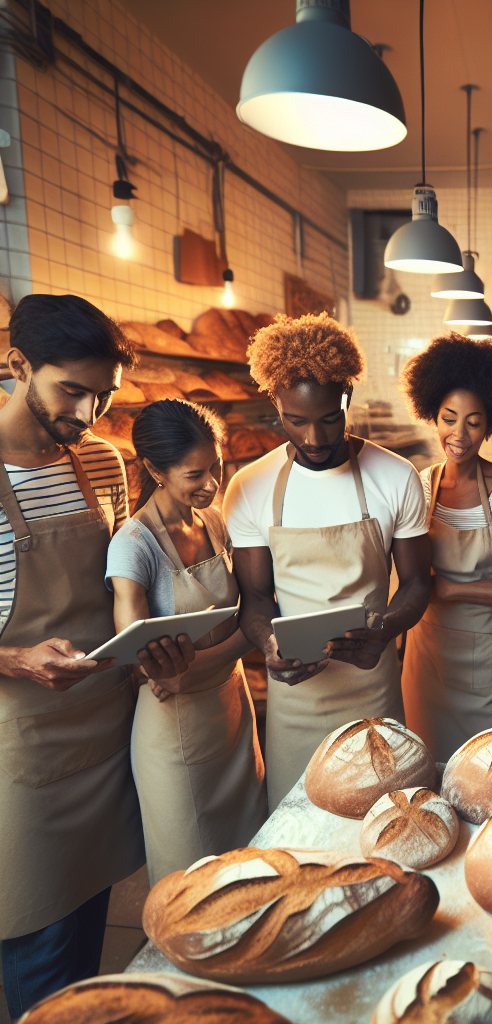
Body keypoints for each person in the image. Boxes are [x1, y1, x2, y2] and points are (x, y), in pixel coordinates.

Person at [0, 295, 147, 1018]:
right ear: (16, 364)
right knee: (41, 938)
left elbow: (121, 584)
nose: (90, 414)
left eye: (106, 395)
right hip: (25, 746)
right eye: (73, 391)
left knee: (90, 934)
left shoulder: (103, 461)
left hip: (106, 728)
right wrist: (18, 659)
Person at [223, 313, 431, 809]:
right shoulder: (250, 488)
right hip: (296, 698)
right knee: (299, 833)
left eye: (329, 419)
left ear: (347, 400)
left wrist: (386, 630)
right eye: (296, 421)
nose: (315, 439)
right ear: (275, 404)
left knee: (383, 828)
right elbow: (254, 599)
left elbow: (419, 583)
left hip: (372, 685)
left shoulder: (395, 476)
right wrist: (269, 643)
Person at [105, 400, 267, 884]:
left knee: (249, 862)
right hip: (174, 735)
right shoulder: (133, 545)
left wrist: (200, 664)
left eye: (214, 467)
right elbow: (138, 662)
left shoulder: (216, 522)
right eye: (195, 475)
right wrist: (240, 641)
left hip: (234, 714)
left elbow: (255, 616)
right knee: (190, 879)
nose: (212, 484)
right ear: (154, 469)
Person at [399, 333, 492, 760]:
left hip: (485, 657)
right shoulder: (423, 484)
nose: (458, 434)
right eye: (448, 418)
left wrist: (450, 590)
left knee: (482, 767)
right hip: (426, 654)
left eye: (473, 421)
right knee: (426, 764)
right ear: (432, 416)